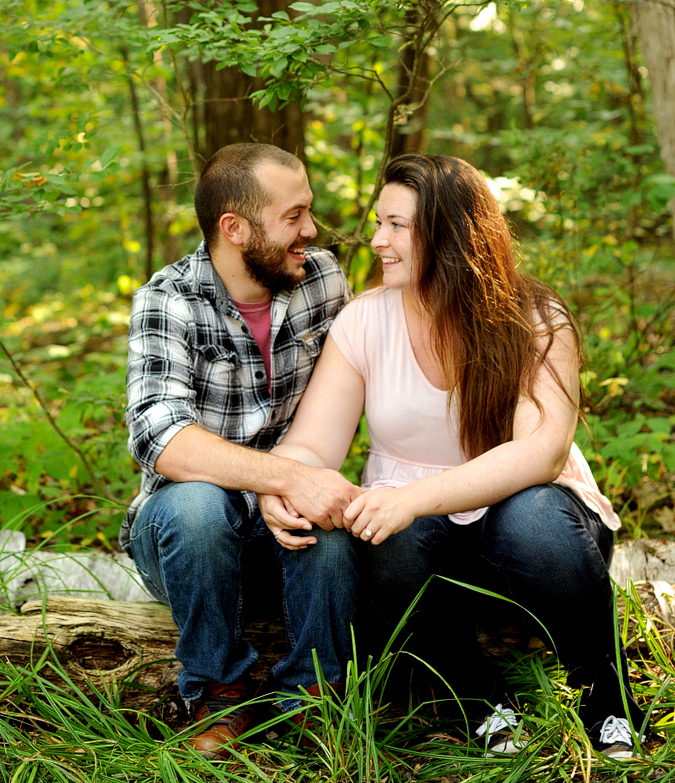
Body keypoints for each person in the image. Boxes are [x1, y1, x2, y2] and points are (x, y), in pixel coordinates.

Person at [260, 153, 643, 760]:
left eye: (396, 226)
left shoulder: (537, 319)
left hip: (533, 534)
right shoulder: (364, 321)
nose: (378, 241)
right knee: (382, 537)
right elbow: (313, 443)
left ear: (453, 234)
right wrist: (282, 482)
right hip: (420, 544)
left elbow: (540, 454)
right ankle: (480, 700)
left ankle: (606, 699)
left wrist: (409, 497)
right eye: (378, 222)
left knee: (534, 518)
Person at [120, 142, 360, 755]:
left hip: (283, 531)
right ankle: (215, 691)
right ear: (235, 228)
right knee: (196, 504)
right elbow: (159, 436)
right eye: (293, 216)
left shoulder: (323, 279)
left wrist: (295, 485)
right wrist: (279, 477)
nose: (311, 229)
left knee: (324, 510)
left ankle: (313, 697)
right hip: (187, 537)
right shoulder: (167, 299)